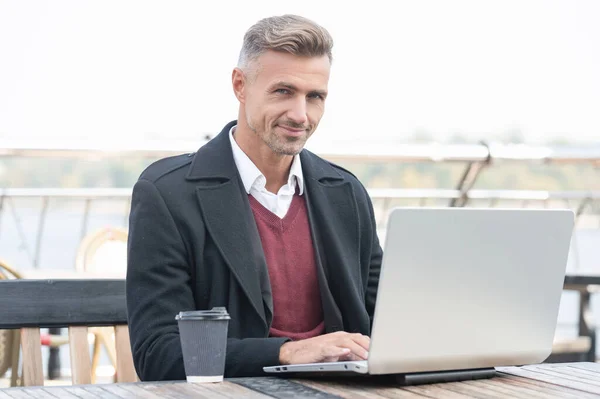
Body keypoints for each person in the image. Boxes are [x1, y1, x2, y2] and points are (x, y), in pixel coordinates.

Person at [126, 14, 383, 380]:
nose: (300, 114)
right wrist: (288, 352)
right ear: (240, 85)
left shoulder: (346, 192)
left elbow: (386, 326)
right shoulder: (167, 195)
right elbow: (158, 354)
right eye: (283, 91)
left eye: (315, 97)